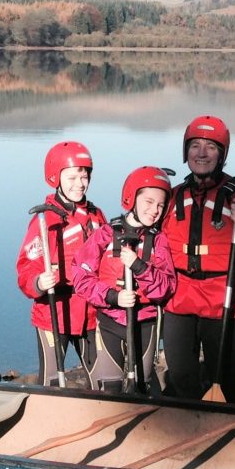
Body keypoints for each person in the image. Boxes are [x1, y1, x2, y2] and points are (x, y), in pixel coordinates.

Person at [160, 115, 235, 402]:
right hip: (179, 300)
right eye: (195, 145)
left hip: (223, 300)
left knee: (222, 378)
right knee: (181, 376)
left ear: (222, 154)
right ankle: (187, 433)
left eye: (210, 147)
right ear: (186, 152)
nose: (201, 153)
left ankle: (225, 433)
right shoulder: (172, 198)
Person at [71, 166, 176, 392]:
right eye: (148, 202)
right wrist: (112, 296)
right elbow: (80, 276)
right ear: (131, 198)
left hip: (144, 323)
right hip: (109, 322)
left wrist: (139, 267)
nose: (154, 210)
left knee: (142, 384)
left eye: (160, 204)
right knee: (109, 387)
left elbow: (166, 288)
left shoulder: (159, 242)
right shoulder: (106, 234)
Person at [16, 141, 107, 386]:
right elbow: (26, 267)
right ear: (55, 178)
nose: (80, 183)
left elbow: (109, 259)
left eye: (84, 175)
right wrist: (38, 282)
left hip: (92, 311)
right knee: (52, 380)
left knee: (102, 379)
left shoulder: (96, 216)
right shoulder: (46, 219)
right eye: (72, 176)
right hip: (54, 310)